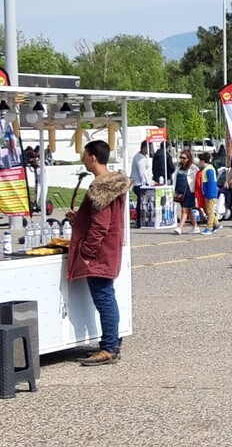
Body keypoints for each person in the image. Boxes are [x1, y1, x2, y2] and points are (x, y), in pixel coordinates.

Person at [67, 140, 133, 366]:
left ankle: (109, 347)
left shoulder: (100, 186)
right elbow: (103, 220)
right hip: (110, 248)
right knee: (107, 296)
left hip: (99, 253)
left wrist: (86, 251)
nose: (83, 159)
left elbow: (100, 226)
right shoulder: (115, 184)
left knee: (104, 298)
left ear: (93, 156)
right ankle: (111, 342)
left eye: (84, 155)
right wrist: (79, 220)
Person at [171, 149, 199, 235]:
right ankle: (195, 226)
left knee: (184, 210)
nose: (182, 160)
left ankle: (180, 227)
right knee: (189, 210)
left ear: (188, 158)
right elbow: (174, 177)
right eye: (181, 157)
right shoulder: (179, 167)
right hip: (180, 191)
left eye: (184, 158)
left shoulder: (193, 168)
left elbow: (198, 177)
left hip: (189, 191)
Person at [129, 142, 153, 227]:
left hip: (142, 183)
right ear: (143, 148)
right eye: (147, 148)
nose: (148, 150)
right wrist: (147, 182)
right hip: (139, 184)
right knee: (141, 203)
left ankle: (141, 220)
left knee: (142, 203)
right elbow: (142, 172)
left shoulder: (144, 157)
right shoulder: (139, 158)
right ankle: (139, 221)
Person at [197, 153, 221, 235]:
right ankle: (217, 224)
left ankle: (209, 227)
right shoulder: (206, 168)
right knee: (208, 210)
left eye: (200, 160)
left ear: (203, 161)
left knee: (210, 211)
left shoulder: (209, 169)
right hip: (207, 193)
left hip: (210, 193)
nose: (199, 162)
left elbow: (211, 183)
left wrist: (209, 194)